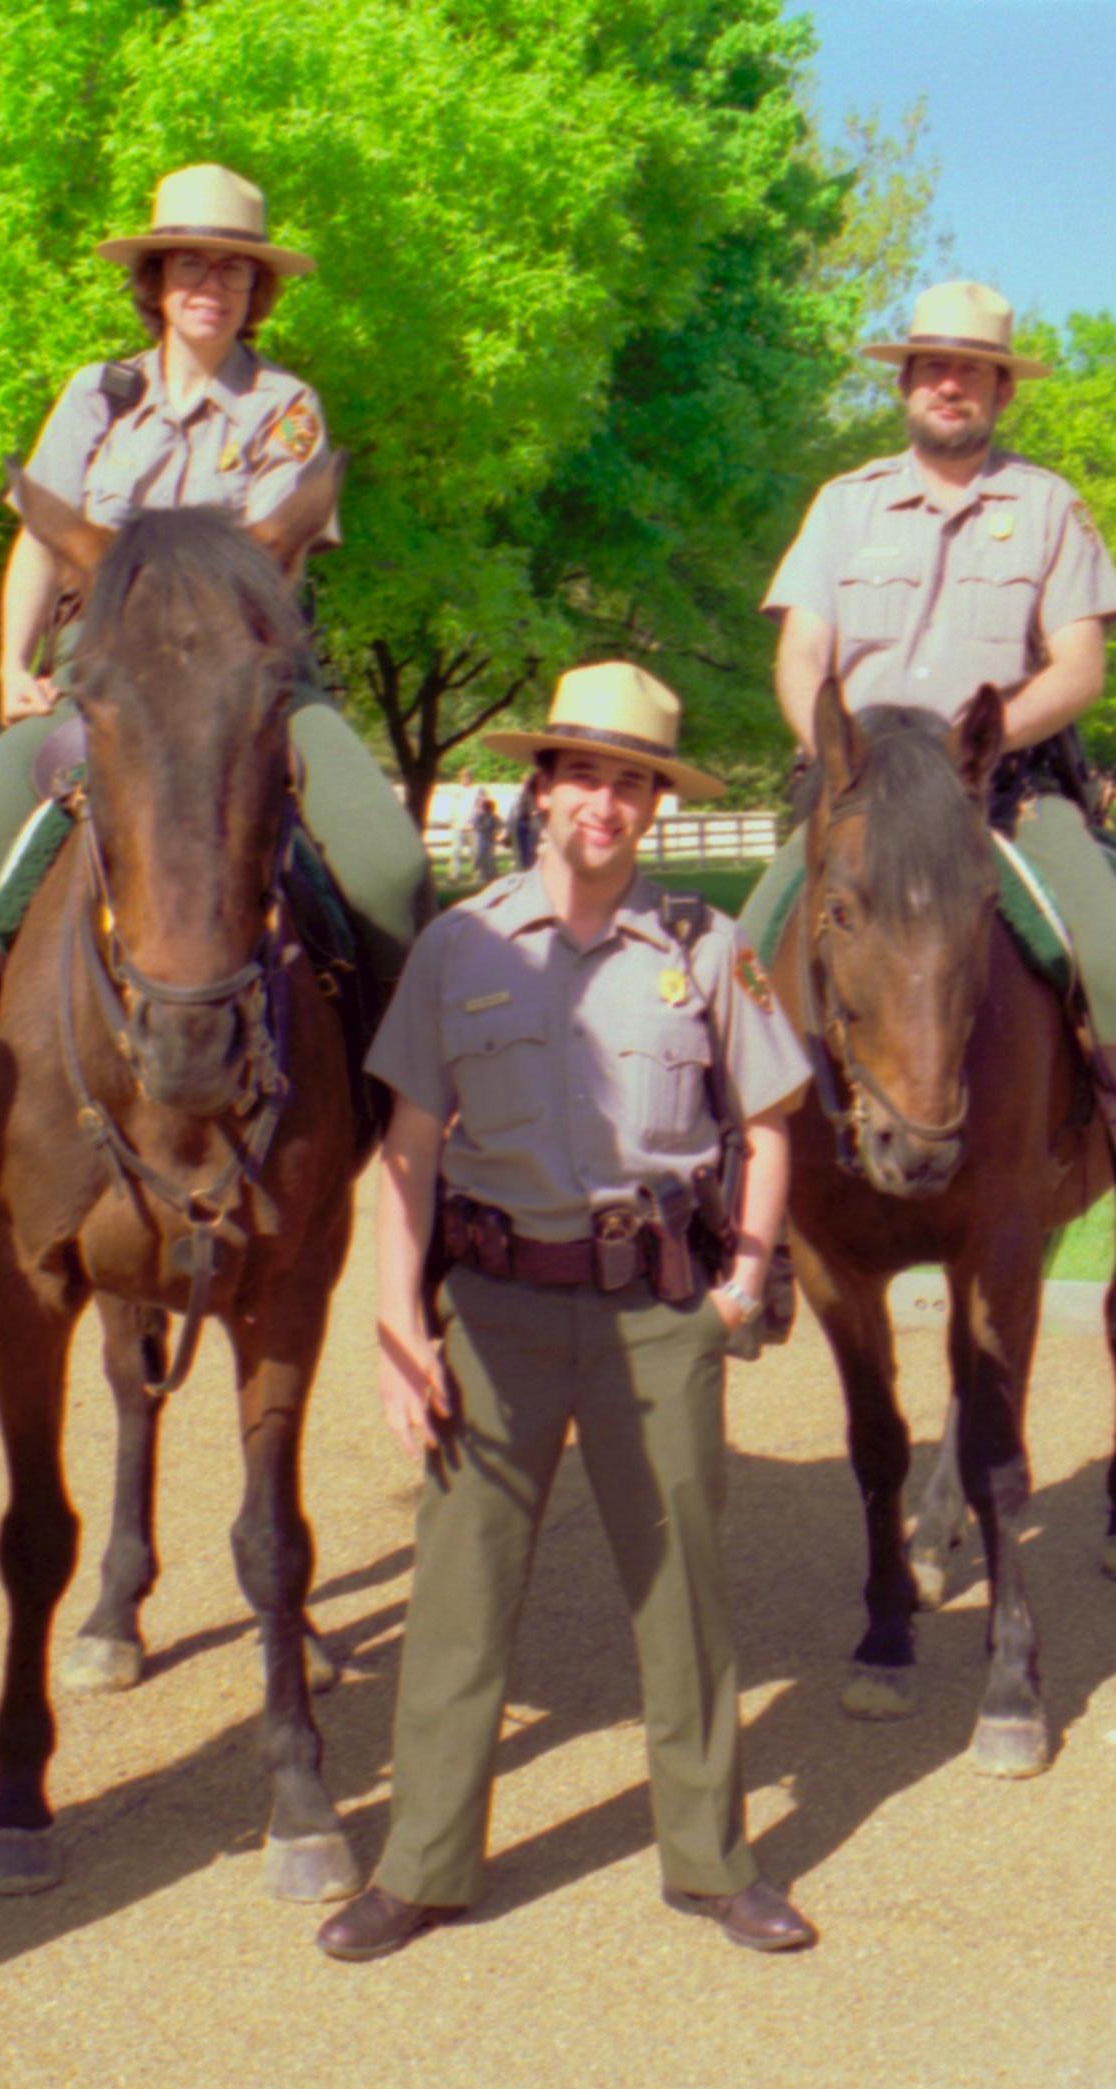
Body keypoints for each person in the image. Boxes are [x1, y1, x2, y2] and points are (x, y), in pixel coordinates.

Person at [317, 661, 818, 1964]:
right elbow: (408, 1151)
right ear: (541, 788)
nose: (605, 801)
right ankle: (419, 1866)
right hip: (494, 1313)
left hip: (657, 1314)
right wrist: (395, 1328)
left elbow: (765, 1129)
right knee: (460, 1592)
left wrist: (744, 1276)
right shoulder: (457, 945)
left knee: (683, 1589)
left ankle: (711, 1860)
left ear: (653, 803)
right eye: (584, 773)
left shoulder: (707, 949)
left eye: (633, 780)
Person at [0, 162, 434, 1263]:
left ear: (255, 291)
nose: (207, 282)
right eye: (187, 263)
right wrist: (13, 661)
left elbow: (261, 564)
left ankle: (399, 1127)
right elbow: (41, 533)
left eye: (231, 267)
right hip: (100, 681)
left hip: (245, 683)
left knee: (392, 871)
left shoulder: (285, 409)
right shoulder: (97, 393)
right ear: (157, 279)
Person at [749, 279, 1116, 1336]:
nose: (947, 383)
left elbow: (1080, 666)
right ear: (905, 383)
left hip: (998, 789)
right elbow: (801, 653)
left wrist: (980, 742)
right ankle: (744, 1229)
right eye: (929, 366)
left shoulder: (1048, 505)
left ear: (1001, 388)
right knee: (742, 958)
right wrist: (832, 752)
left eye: (970, 369)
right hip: (861, 792)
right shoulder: (843, 503)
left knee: (1115, 950)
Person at [467, 789, 504, 883]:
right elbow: (475, 826)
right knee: (482, 856)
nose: (489, 811)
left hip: (490, 840)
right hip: (482, 839)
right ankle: (481, 874)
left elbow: (500, 825)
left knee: (490, 857)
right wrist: (483, 828)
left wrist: (495, 832)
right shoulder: (480, 816)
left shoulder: (494, 817)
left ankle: (491, 875)